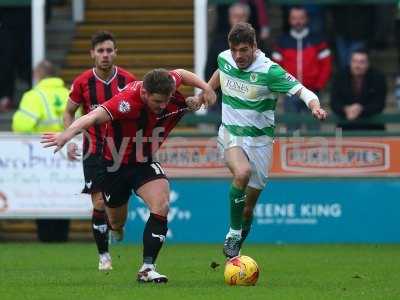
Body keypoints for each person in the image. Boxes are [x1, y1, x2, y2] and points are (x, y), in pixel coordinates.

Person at [42, 68, 216, 283]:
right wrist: (65, 135)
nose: (162, 106)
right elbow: (91, 116)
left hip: (143, 162)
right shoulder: (125, 102)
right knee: (116, 222)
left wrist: (206, 88)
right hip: (114, 167)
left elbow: (182, 73)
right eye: (158, 102)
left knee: (161, 203)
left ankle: (147, 268)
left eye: (166, 100)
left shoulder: (165, 82)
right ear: (144, 93)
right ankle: (116, 229)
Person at [207, 22, 327, 258]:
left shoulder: (270, 71)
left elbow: (302, 91)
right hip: (230, 133)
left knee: (248, 210)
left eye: (243, 50)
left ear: (254, 46)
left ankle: (237, 245)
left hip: (260, 141)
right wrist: (206, 91)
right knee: (242, 173)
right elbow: (221, 71)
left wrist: (315, 107)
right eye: (234, 50)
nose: (238, 56)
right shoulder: (225, 58)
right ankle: (232, 233)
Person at [63, 31, 136, 271]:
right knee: (98, 203)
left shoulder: (128, 80)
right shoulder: (83, 82)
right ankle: (104, 256)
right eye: (100, 51)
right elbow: (69, 111)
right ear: (92, 54)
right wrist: (71, 138)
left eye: (109, 50)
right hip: (93, 150)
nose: (105, 55)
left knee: (116, 216)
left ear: (115, 53)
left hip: (122, 152)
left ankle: (116, 228)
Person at [12, 59, 70, 242]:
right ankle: (62, 237)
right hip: (68, 154)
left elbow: (20, 125)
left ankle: (46, 236)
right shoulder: (69, 93)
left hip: (41, 155)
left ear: (37, 75)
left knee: (44, 195)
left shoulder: (34, 96)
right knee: (65, 196)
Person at [272, 6, 331, 131]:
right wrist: (284, 86)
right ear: (289, 20)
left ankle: (314, 151)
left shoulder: (318, 40)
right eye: (294, 18)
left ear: (307, 19)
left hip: (313, 90)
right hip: (291, 91)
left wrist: (318, 85)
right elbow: (276, 67)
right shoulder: (282, 41)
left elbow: (326, 66)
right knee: (292, 130)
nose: (298, 21)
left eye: (301, 18)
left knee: (314, 130)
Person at [330, 48, 387, 131]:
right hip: (345, 126)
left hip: (372, 127)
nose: (357, 65)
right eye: (354, 61)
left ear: (368, 64)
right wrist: (345, 109)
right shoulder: (340, 76)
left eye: (362, 62)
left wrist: (361, 109)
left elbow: (379, 104)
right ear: (350, 62)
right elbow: (334, 102)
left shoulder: (378, 78)